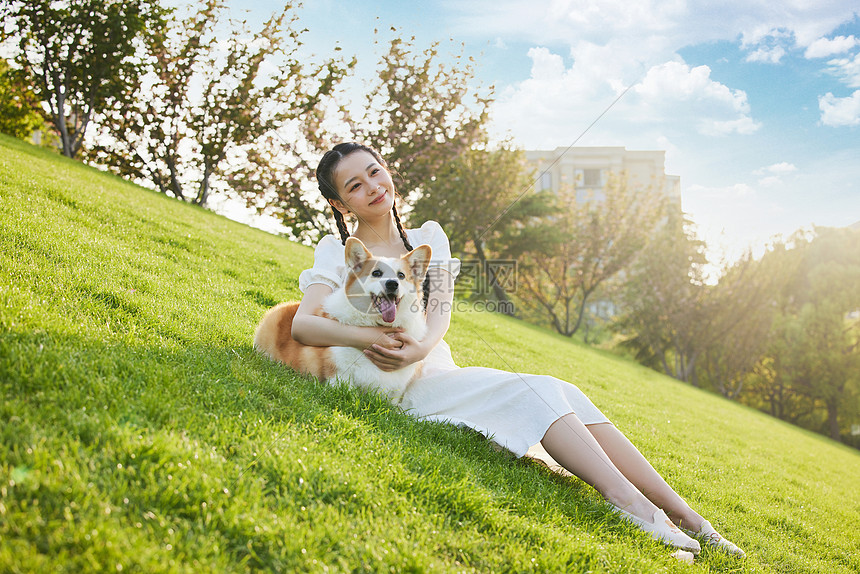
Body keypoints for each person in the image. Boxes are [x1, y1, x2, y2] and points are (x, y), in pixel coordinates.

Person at [291, 142, 745, 558]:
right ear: (339, 202)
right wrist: (380, 342)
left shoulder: (428, 236)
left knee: (565, 392)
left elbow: (440, 314)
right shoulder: (338, 250)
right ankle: (631, 506)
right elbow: (304, 325)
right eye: (355, 185)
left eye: (375, 172)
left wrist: (419, 349)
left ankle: (688, 517)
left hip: (433, 367)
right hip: (393, 384)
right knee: (536, 392)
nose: (373, 187)